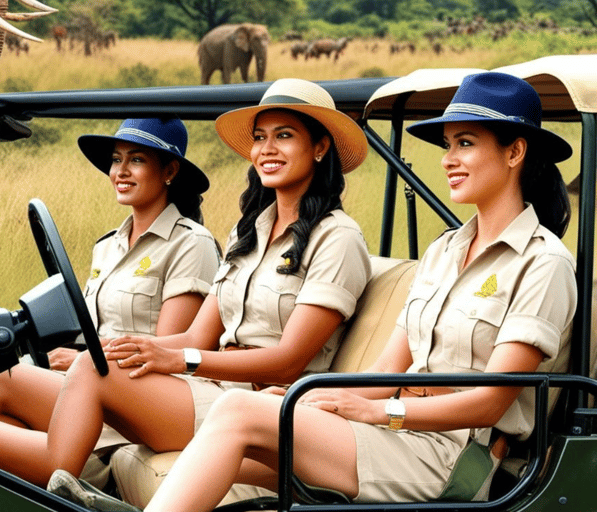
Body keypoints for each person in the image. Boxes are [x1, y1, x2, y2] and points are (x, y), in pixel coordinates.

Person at [144, 71, 578, 511]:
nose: (447, 159)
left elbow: (489, 403)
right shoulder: (445, 250)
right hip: (396, 431)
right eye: (447, 145)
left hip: (451, 455)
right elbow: (389, 368)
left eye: (464, 143)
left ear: (515, 152)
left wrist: (379, 412)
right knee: (231, 439)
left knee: (238, 412)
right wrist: (309, 396)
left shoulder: (544, 263)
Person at [0, 78, 372, 491]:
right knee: (2, 378)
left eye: (284, 136)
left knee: (90, 371)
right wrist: (133, 349)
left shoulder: (338, 237)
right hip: (209, 387)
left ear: (319, 147)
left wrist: (174, 357)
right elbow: (197, 337)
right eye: (259, 138)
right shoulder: (248, 235)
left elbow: (287, 362)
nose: (266, 149)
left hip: (259, 404)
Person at [0, 117, 220, 472]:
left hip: (139, 403)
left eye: (136, 160)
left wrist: (80, 362)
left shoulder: (191, 243)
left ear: (170, 170)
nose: (121, 171)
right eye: (116, 160)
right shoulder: (108, 246)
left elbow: (164, 352)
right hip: (90, 384)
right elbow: (89, 330)